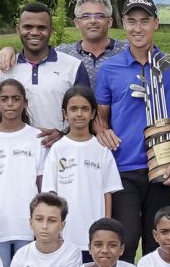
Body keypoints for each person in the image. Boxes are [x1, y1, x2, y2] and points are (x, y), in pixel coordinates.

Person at [94, 0, 170, 261]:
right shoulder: (109, 68)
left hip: (163, 166)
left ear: (156, 24)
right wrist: (101, 129)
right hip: (123, 167)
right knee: (126, 239)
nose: (138, 28)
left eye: (144, 21)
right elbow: (100, 117)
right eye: (131, 21)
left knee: (156, 242)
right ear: (123, 24)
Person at [13, 0, 170, 87]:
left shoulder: (128, 49)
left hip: (117, 131)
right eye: (86, 16)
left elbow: (155, 64)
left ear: (110, 22)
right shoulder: (62, 53)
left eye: (99, 16)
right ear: (77, 22)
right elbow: (33, 57)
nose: (93, 21)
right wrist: (8, 52)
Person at [41, 87, 122, 255]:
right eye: (73, 109)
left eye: (85, 109)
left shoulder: (101, 149)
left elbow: (108, 192)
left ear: (93, 113)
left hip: (94, 235)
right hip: (66, 235)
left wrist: (106, 226)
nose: (79, 114)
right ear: (65, 113)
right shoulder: (57, 149)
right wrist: (55, 228)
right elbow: (51, 194)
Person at [0, 79, 46, 266]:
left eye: (16, 98)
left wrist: (41, 222)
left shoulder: (36, 138)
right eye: (4, 99)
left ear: (25, 103)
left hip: (28, 225)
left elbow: (42, 186)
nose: (10, 104)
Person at [0, 2, 89, 134]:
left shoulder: (73, 67)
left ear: (51, 31)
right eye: (28, 27)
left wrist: (63, 135)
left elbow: (85, 115)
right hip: (16, 145)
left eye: (41, 27)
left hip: (60, 145)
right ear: (18, 29)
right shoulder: (2, 69)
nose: (34, 32)